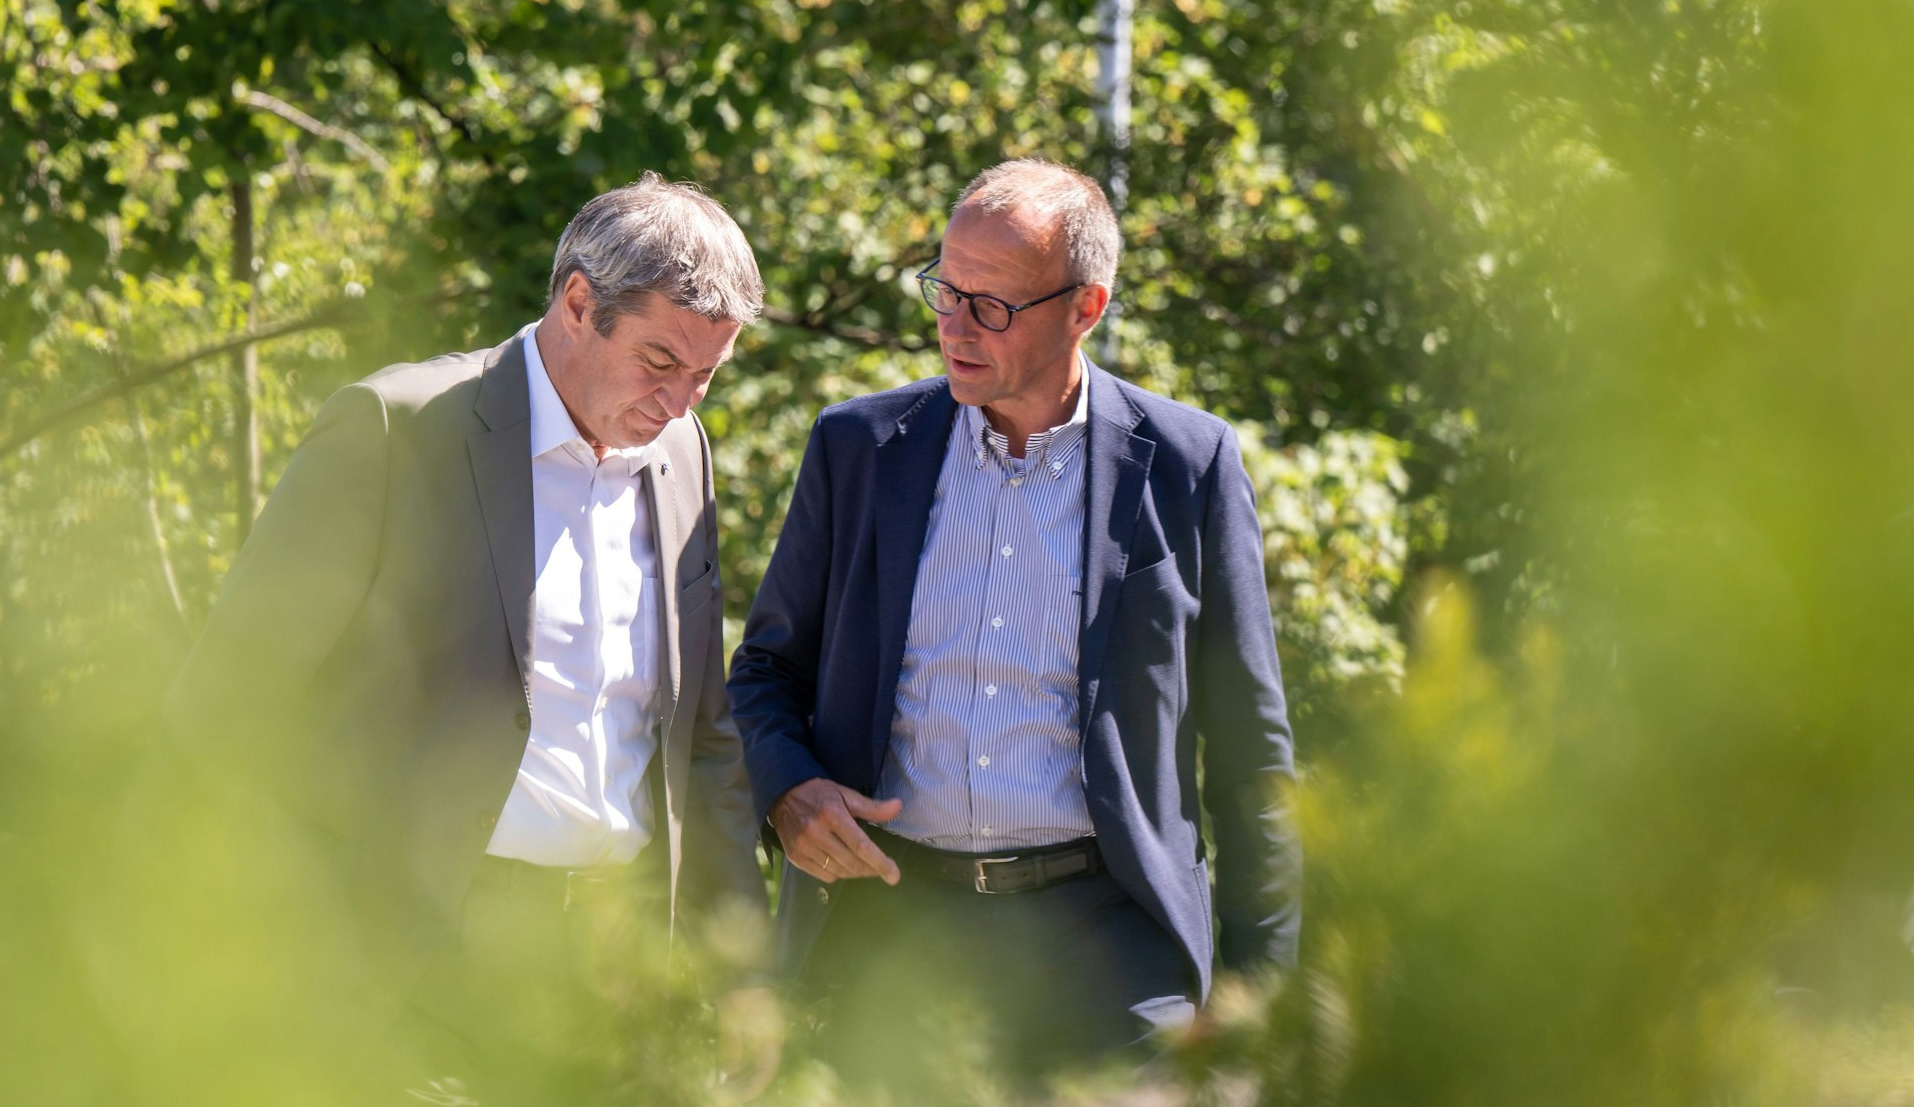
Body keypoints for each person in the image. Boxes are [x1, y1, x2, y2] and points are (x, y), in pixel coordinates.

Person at [166, 172, 773, 1100]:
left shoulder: (682, 454)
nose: (682, 402)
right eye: (660, 362)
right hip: (411, 968)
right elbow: (228, 711)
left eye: (706, 374)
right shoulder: (396, 429)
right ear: (579, 302)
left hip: (624, 970)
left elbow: (703, 732)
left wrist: (738, 972)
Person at [727, 159, 1300, 1085]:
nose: (955, 327)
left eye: (991, 306)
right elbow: (763, 673)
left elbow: (1251, 750)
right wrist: (790, 792)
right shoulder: (858, 448)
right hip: (891, 926)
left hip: (1114, 938)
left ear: (1086, 306)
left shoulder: (1189, 465)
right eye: (945, 291)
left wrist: (1261, 995)